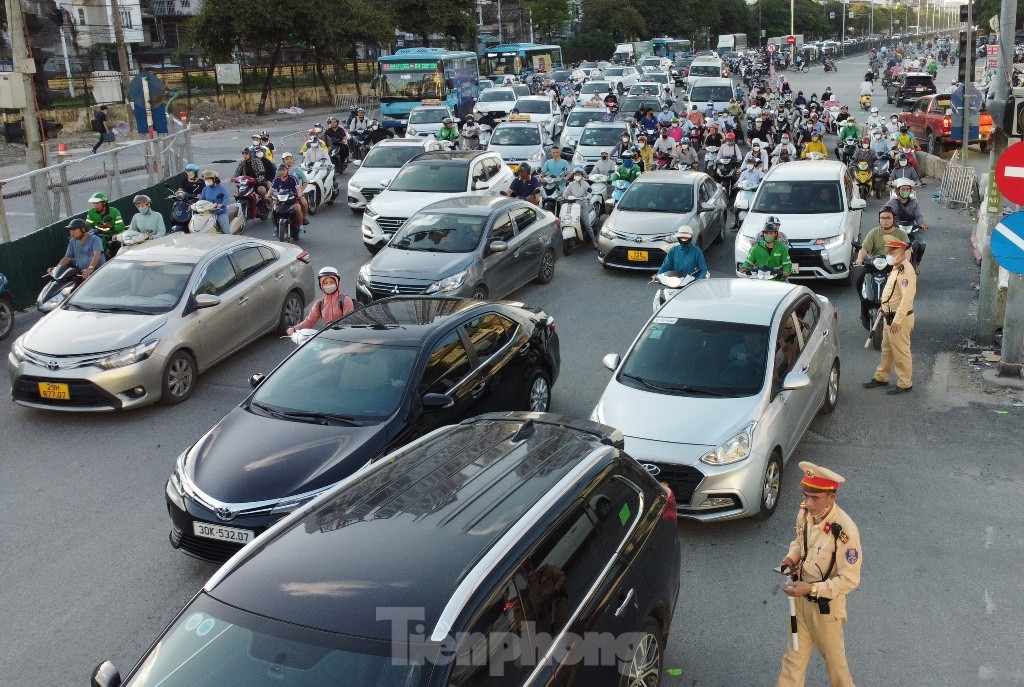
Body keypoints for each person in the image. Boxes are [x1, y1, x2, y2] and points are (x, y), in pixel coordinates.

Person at [776, 461, 862, 687]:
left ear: (831, 497)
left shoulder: (845, 531)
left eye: (815, 498)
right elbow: (799, 542)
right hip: (800, 603)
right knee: (792, 661)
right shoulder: (805, 513)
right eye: (806, 496)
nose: (808, 503)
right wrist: (791, 559)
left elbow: (849, 579)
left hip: (826, 610)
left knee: (837, 669)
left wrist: (812, 589)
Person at [863, 238, 917, 394]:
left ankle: (905, 383)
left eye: (891, 252)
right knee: (886, 349)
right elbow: (892, 293)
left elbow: (907, 299)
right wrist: (883, 307)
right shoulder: (896, 268)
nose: (888, 255)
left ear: (901, 253)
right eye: (887, 252)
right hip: (888, 316)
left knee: (900, 351)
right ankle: (881, 376)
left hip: (898, 319)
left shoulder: (906, 271)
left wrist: (897, 320)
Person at [287, 267, 354, 335]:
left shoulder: (345, 300)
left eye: (331, 282)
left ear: (337, 282)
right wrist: (295, 328)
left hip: (344, 337)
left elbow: (348, 322)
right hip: (328, 336)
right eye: (325, 283)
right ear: (321, 285)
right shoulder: (319, 303)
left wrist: (334, 328)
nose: (328, 285)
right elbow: (310, 321)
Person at [885, 180, 927, 268]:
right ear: (898, 191)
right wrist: (887, 222)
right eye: (903, 189)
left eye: (908, 189)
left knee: (922, 244)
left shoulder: (914, 202)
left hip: (911, 228)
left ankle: (916, 263)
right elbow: (885, 211)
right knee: (888, 245)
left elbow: (918, 215)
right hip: (896, 228)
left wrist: (922, 223)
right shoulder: (892, 202)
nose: (905, 191)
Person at [563, 167, 597, 247]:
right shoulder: (571, 184)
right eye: (576, 174)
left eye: (579, 174)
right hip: (572, 206)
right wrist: (563, 197)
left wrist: (586, 197)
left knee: (587, 224)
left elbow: (590, 192)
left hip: (582, 206)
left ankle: (593, 240)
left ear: (582, 175)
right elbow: (565, 193)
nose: (577, 176)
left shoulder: (585, 184)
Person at [271, 163, 303, 228]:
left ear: (287, 170)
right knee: (273, 208)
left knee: (298, 208)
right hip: (280, 199)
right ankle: (275, 228)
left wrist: (299, 193)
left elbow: (298, 187)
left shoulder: (292, 178)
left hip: (292, 199)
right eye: (280, 170)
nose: (282, 172)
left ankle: (301, 226)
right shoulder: (276, 179)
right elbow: (271, 189)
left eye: (283, 170)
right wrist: (268, 194)